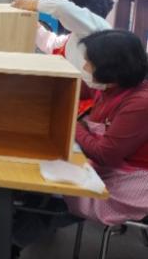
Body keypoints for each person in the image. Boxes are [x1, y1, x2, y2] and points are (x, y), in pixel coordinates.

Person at [12, 30, 148, 253]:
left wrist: (70, 122)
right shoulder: (111, 86)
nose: (85, 67)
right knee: (35, 184)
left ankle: (8, 242)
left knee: (45, 198)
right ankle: (7, 232)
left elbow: (105, 154)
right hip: (103, 168)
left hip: (124, 186)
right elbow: (71, 88)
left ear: (111, 69)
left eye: (90, 64)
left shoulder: (139, 104)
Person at [13, 0, 113, 114]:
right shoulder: (77, 34)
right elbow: (53, 44)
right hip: (75, 96)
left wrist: (33, 3)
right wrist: (35, 26)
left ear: (80, 11)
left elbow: (60, 6)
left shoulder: (99, 30)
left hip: (93, 107)